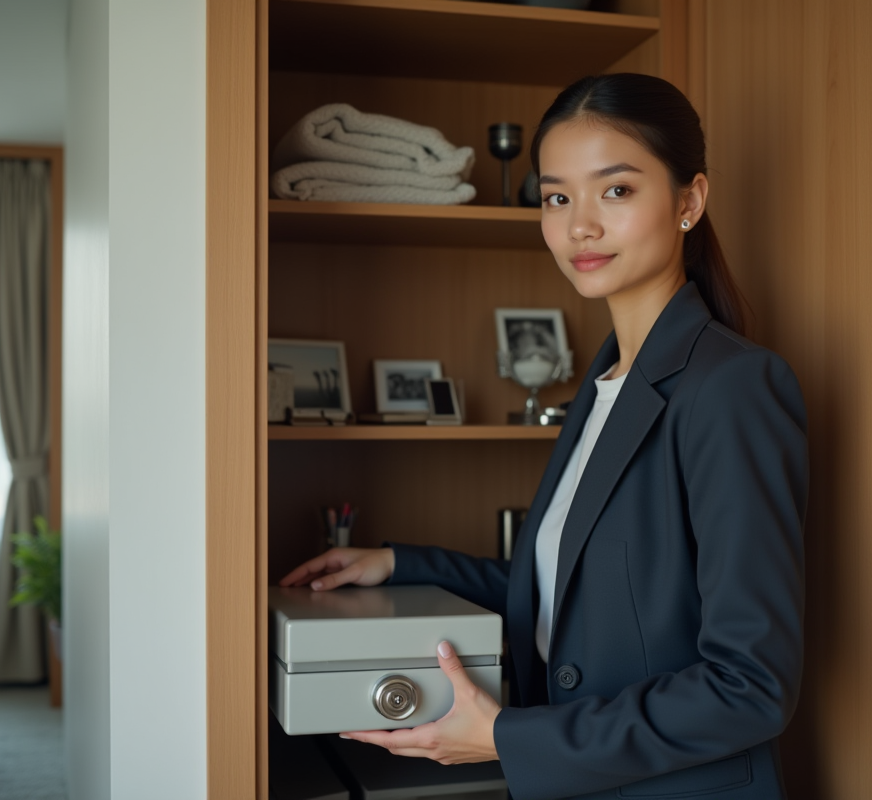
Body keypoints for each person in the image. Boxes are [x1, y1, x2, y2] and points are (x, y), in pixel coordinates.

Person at [280, 73, 809, 800]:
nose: (579, 226)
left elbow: (750, 685)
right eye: (557, 197)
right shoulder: (605, 383)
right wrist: (399, 562)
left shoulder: (731, 386)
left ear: (689, 201)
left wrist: (509, 739)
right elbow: (575, 588)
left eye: (615, 190)